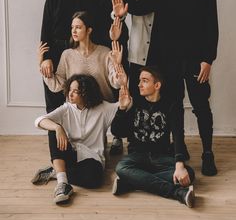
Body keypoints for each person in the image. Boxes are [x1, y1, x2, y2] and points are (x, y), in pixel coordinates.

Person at [113, 0, 219, 176]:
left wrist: (207, 60)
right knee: (175, 107)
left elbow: (212, 30)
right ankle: (179, 150)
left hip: (195, 62)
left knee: (201, 106)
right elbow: (141, 8)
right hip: (170, 62)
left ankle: (208, 153)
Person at [31, 74, 130, 205]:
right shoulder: (66, 108)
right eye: (69, 90)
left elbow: (126, 103)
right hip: (69, 153)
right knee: (53, 131)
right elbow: (39, 121)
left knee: (94, 180)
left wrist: (123, 90)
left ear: (86, 93)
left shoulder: (103, 108)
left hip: (92, 158)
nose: (70, 94)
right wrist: (58, 127)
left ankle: (57, 171)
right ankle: (62, 184)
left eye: (75, 91)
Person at [111, 66, 195, 208]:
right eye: (139, 81)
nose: (139, 84)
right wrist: (122, 108)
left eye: (144, 81)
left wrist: (180, 165)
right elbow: (117, 132)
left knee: (189, 174)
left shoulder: (171, 105)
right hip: (137, 156)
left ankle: (131, 182)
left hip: (160, 156)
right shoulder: (135, 102)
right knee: (121, 167)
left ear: (157, 85)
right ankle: (177, 193)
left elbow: (178, 135)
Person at [85, 0, 130, 154]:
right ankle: (98, 135)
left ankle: (119, 135)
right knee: (99, 88)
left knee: (118, 87)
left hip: (117, 41)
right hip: (97, 46)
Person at [40, 0, 97, 113]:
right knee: (53, 105)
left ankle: (77, 138)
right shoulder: (52, 0)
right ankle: (55, 137)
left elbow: (93, 33)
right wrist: (45, 58)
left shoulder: (89, 2)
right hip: (55, 54)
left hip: (79, 54)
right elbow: (45, 33)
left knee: (78, 102)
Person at [39, 11, 125, 103]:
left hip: (102, 110)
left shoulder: (105, 53)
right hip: (77, 111)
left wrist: (117, 65)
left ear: (89, 30)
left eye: (78, 27)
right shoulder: (67, 55)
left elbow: (117, 83)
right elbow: (56, 85)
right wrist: (42, 63)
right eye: (72, 27)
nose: (74, 31)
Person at [114, 0, 163, 97]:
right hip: (139, 55)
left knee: (162, 97)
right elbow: (115, 13)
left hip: (161, 55)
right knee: (137, 98)